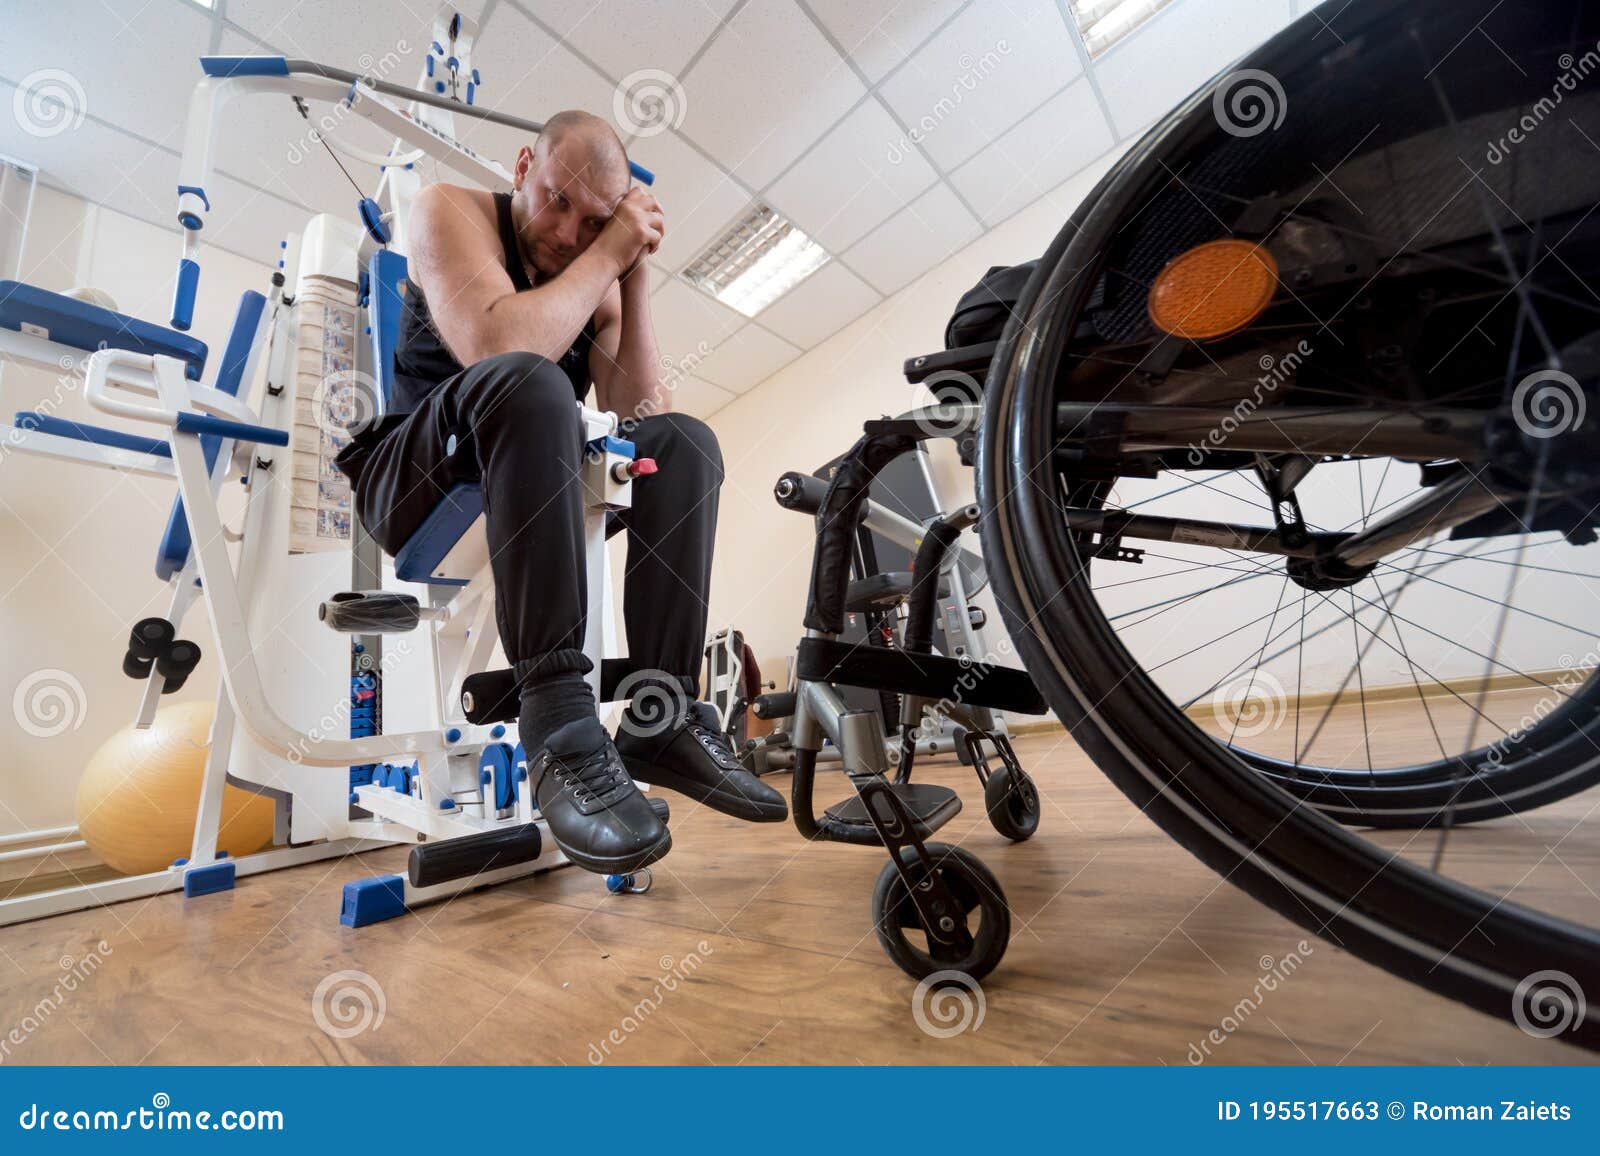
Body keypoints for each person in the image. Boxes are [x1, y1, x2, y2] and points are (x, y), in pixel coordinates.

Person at [333, 110, 785, 876]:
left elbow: (646, 413)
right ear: (520, 168)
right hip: (410, 482)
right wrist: (609, 250)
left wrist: (631, 274)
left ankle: (660, 710)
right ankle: (559, 723)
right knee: (532, 381)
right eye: (556, 200)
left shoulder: (597, 270)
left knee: (685, 445)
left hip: (526, 482)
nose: (570, 233)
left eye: (596, 221)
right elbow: (495, 350)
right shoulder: (448, 208)